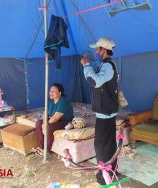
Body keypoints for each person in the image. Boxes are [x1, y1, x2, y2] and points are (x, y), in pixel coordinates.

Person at [81, 37, 119, 185]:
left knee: (102, 144)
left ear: (104, 50)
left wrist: (86, 65)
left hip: (106, 113)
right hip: (106, 111)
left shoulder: (108, 66)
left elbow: (94, 82)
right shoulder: (106, 65)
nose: (96, 51)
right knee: (107, 144)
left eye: (98, 49)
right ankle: (111, 170)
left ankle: (105, 176)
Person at [34, 83, 74, 155]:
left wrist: (45, 125)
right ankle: (41, 146)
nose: (51, 93)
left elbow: (55, 118)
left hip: (65, 121)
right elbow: (45, 113)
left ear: (59, 93)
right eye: (50, 91)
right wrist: (43, 123)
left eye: (53, 91)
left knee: (49, 127)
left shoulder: (64, 101)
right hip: (55, 119)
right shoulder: (50, 101)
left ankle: (47, 150)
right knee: (38, 123)